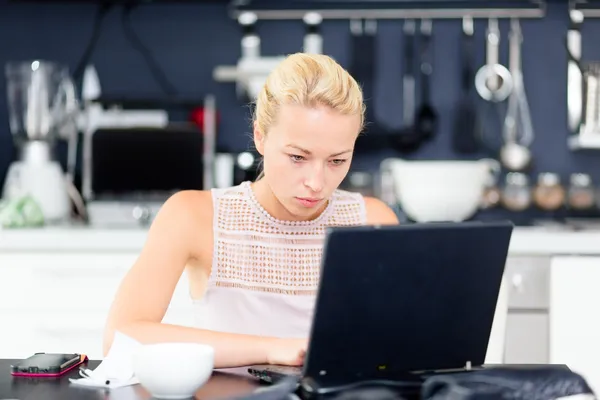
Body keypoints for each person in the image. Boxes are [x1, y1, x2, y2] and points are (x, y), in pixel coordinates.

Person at [102, 52, 399, 369]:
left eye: (337, 160)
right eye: (298, 157)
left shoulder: (373, 221)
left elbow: (405, 342)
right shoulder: (193, 216)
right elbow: (121, 338)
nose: (316, 183)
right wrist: (274, 350)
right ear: (260, 136)